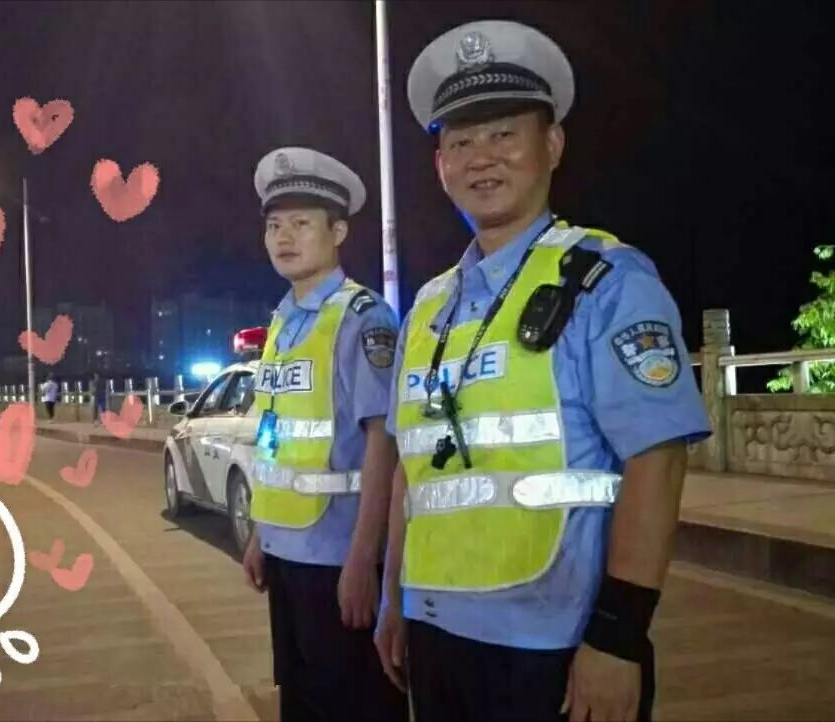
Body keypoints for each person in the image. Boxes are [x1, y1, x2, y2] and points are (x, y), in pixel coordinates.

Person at [373, 19, 712, 722]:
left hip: (555, 646)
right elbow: (414, 470)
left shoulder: (605, 281)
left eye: (504, 134)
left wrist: (618, 637)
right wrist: (394, 599)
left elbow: (658, 460)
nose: (481, 158)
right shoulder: (428, 308)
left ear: (551, 145)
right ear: (440, 166)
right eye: (461, 142)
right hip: (436, 636)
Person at [242, 146, 408, 722]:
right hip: (286, 553)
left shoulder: (363, 318)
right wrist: (261, 534)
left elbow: (385, 442)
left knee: (353, 704)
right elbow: (275, 433)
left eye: (301, 223)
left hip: (338, 558)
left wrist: (364, 559)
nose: (284, 237)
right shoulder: (283, 322)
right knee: (301, 700)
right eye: (274, 225)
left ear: (338, 232)